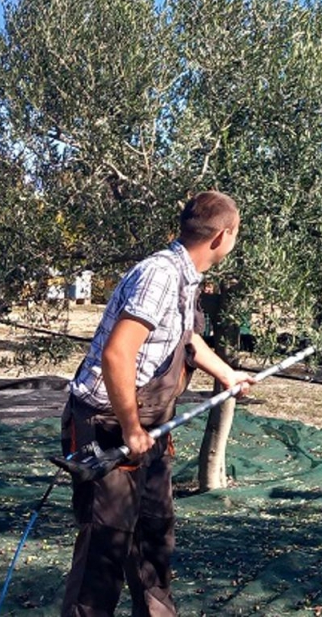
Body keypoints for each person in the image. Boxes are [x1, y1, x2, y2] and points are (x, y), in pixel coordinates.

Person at [59, 191, 254, 616]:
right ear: (223, 235)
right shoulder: (159, 275)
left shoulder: (187, 277)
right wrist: (131, 429)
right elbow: (117, 354)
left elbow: (185, 338)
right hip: (107, 425)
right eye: (237, 233)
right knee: (105, 550)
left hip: (148, 427)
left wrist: (226, 374)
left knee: (154, 538)